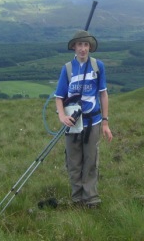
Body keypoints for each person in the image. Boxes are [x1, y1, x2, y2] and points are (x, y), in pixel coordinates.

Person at [55, 30, 113, 208]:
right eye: (79, 44)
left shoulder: (98, 66)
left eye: (86, 45)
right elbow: (58, 97)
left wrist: (105, 122)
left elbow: (103, 94)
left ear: (90, 47)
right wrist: (62, 116)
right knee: (74, 161)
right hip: (73, 123)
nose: (83, 49)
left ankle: (91, 197)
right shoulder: (68, 69)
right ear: (74, 46)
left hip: (92, 122)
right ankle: (77, 198)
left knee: (91, 160)